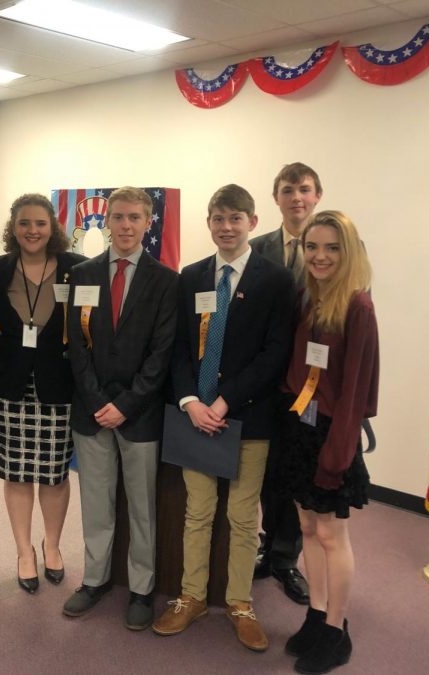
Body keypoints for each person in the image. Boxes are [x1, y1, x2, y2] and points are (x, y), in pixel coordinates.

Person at [152, 184, 296, 652]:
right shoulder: (190, 276)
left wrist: (226, 400)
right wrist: (192, 401)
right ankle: (191, 597)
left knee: (240, 517)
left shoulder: (275, 280)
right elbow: (176, 350)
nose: (226, 227)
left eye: (236, 218)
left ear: (253, 222)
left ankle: (239, 603)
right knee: (197, 513)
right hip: (196, 416)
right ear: (209, 223)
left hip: (247, 420)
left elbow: (275, 354)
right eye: (218, 218)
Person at [62, 186, 178, 631]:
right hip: (91, 412)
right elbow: (76, 346)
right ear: (105, 222)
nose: (126, 225)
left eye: (134, 218)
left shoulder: (166, 280)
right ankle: (94, 580)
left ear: (147, 223)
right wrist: (97, 402)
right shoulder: (84, 274)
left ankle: (142, 589)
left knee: (142, 507)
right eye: (118, 217)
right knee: (96, 501)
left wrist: (126, 404)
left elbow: (162, 354)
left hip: (140, 414)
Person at [279, 210, 378, 674]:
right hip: (301, 429)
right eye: (312, 247)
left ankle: (336, 630)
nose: (320, 256)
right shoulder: (310, 299)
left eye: (331, 248)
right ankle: (316, 615)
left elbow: (357, 391)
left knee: (331, 535)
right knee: (306, 530)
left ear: (349, 252)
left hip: (333, 436)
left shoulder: (358, 306)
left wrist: (337, 455)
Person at [0, 194, 85, 593]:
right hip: (8, 387)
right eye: (24, 223)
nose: (32, 230)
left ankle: (53, 546)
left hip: (58, 384)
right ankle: (24, 551)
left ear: (52, 227)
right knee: (17, 473)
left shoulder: (76, 269)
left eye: (40, 223)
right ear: (14, 227)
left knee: (55, 474)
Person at [249, 162, 323, 605]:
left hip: (311, 385)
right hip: (264, 382)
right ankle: (265, 544)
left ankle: (286, 557)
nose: (297, 197)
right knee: (265, 471)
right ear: (276, 198)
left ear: (317, 196)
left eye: (305, 189)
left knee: (297, 473)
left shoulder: (335, 247)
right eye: (288, 190)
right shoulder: (256, 249)